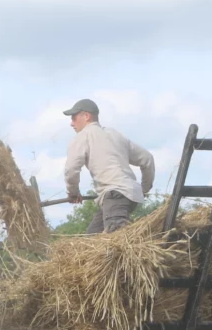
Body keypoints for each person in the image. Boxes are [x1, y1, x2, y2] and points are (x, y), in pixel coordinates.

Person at [63, 98, 156, 234]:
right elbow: (147, 159)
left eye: (74, 118)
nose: (71, 123)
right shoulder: (115, 135)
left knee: (115, 240)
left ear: (86, 116)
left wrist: (73, 192)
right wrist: (144, 189)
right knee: (92, 240)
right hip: (126, 195)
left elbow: (71, 169)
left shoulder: (83, 136)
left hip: (114, 194)